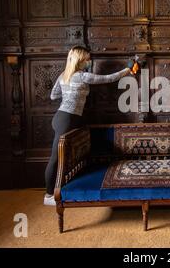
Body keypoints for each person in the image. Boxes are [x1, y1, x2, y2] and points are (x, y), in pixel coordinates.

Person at [44, 46, 138, 206]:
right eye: (87, 59)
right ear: (80, 61)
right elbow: (108, 79)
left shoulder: (63, 76)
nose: (89, 61)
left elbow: (54, 95)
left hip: (68, 118)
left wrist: (69, 94)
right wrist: (127, 71)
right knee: (56, 158)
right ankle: (48, 196)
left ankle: (65, 187)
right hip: (66, 119)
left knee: (70, 153)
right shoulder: (81, 76)